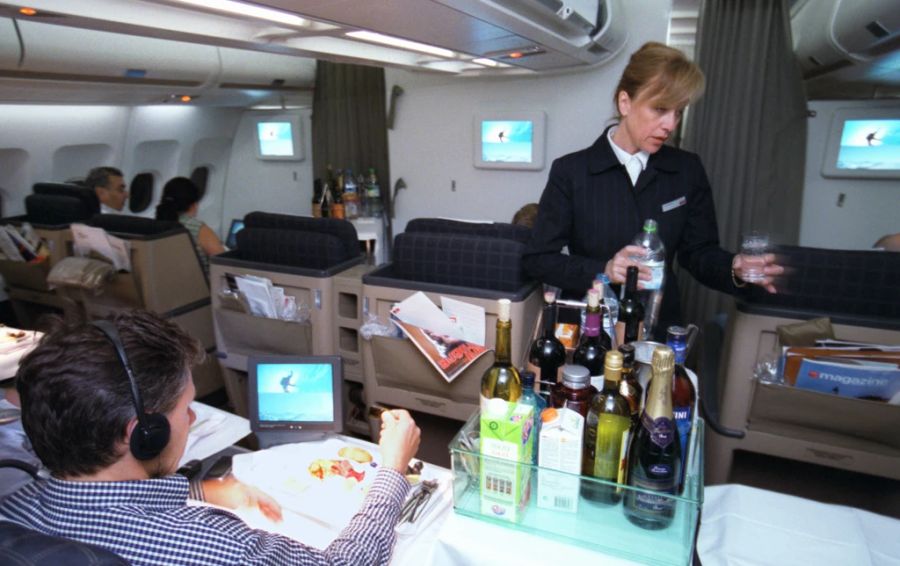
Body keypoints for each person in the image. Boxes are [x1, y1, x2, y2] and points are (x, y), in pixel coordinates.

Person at [0, 310, 422, 565]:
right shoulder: (217, 547)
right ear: (143, 433)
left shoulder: (13, 508)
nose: (192, 417)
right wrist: (392, 469)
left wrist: (201, 489)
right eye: (184, 408)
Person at [523, 41, 782, 337]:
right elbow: (539, 259)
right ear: (625, 103)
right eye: (660, 109)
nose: (670, 125)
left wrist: (733, 267)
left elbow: (698, 252)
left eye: (678, 112)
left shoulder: (686, 170)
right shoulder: (571, 172)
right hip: (590, 327)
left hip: (658, 326)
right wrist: (605, 269)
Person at [155, 177, 226, 274]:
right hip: (199, 287)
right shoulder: (198, 229)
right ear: (194, 204)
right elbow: (223, 264)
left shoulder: (154, 225)